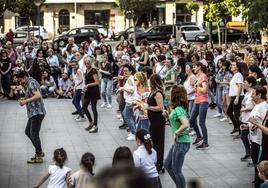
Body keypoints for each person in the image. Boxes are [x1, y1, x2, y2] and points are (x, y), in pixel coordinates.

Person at [17, 70, 46, 163]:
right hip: (33, 113)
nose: (20, 82)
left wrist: (25, 101)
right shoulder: (29, 83)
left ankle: (39, 155)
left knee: (34, 134)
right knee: (28, 132)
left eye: (21, 80)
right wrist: (24, 99)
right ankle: (39, 152)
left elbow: (38, 95)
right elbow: (32, 95)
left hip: (37, 113)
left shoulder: (31, 82)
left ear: (25, 76)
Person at [164, 85, 190, 188]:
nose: (168, 94)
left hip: (182, 142)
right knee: (167, 164)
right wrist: (167, 116)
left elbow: (185, 124)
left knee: (176, 170)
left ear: (175, 95)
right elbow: (176, 124)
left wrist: (176, 133)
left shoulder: (179, 109)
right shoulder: (178, 108)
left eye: (170, 92)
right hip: (179, 142)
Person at [147, 74, 166, 173]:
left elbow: (160, 107)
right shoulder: (152, 91)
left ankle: (160, 164)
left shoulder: (158, 93)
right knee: (154, 141)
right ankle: (156, 161)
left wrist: (148, 107)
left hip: (158, 120)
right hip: (153, 120)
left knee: (159, 142)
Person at [190, 62, 209, 149]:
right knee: (192, 120)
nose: (193, 68)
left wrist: (197, 87)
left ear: (200, 67)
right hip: (197, 101)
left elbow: (204, 90)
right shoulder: (197, 77)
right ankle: (199, 136)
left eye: (195, 67)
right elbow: (196, 89)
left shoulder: (203, 76)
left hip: (203, 101)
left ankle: (205, 142)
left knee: (201, 122)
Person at [118, 64, 137, 141]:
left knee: (127, 116)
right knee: (131, 117)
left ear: (130, 71)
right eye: (124, 71)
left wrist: (123, 88)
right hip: (130, 101)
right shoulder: (130, 78)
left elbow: (132, 90)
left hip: (130, 101)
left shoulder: (130, 79)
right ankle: (134, 132)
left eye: (126, 71)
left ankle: (134, 133)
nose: (124, 72)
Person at [82, 56, 100, 133]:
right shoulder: (87, 70)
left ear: (91, 63)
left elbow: (97, 82)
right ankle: (91, 122)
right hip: (88, 91)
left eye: (88, 63)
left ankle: (95, 126)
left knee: (93, 108)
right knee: (84, 107)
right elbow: (87, 82)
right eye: (85, 63)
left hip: (94, 91)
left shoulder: (93, 70)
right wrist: (85, 87)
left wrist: (88, 85)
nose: (87, 64)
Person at [227, 61, 244, 137]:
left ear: (237, 67)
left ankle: (241, 131)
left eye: (233, 65)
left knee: (236, 114)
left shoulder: (238, 75)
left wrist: (237, 98)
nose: (232, 66)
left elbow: (240, 86)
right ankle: (236, 127)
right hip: (234, 97)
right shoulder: (235, 75)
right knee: (229, 112)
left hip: (238, 97)